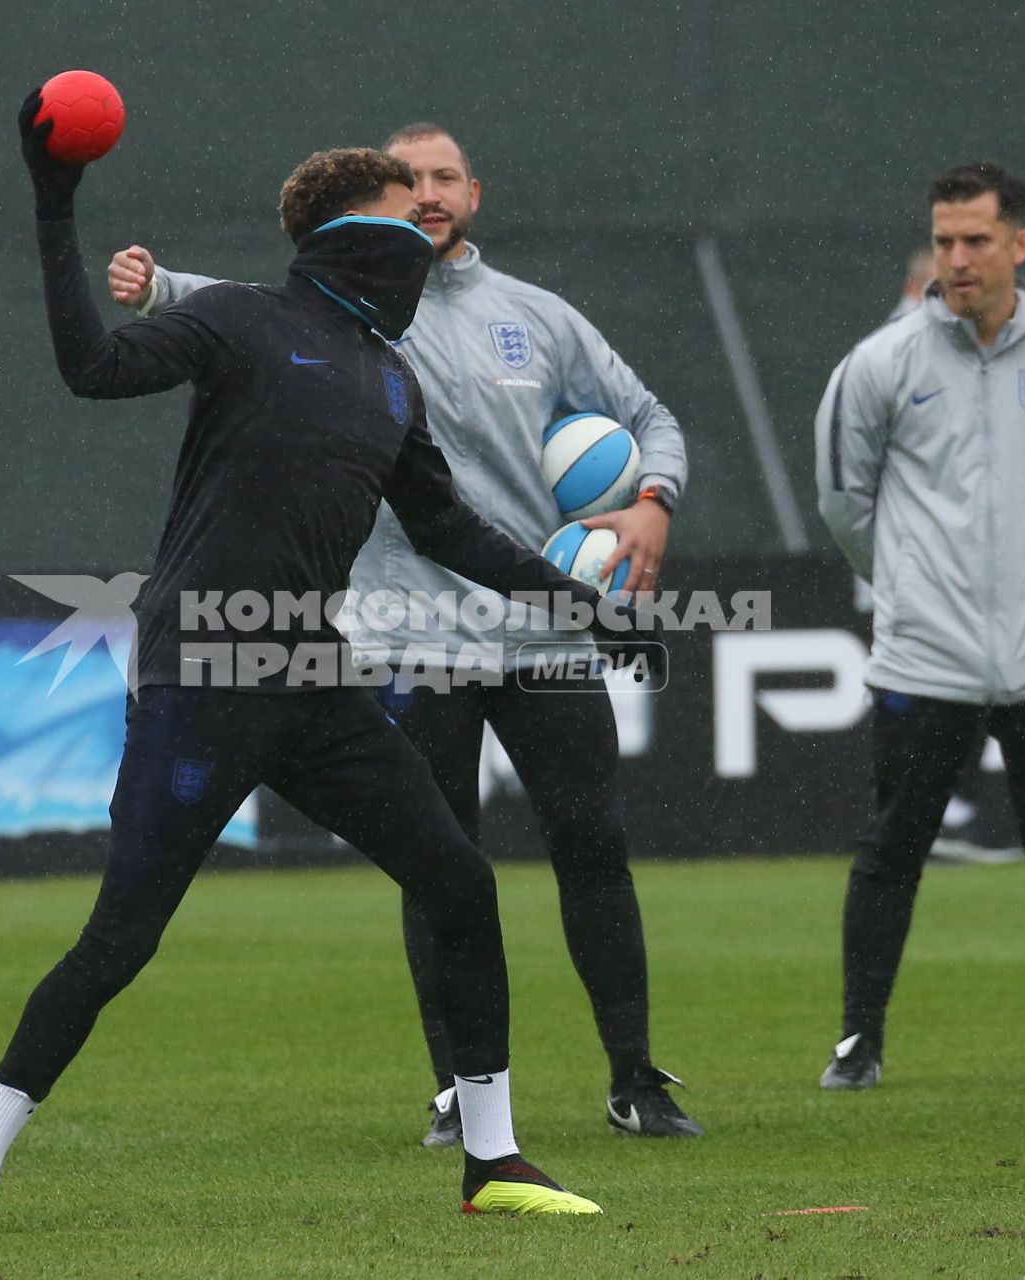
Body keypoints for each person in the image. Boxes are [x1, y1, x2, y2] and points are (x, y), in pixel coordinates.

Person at [0, 95, 630, 1237]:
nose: (428, 230)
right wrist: (56, 205)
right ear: (353, 229)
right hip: (202, 674)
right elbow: (90, 367)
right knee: (121, 939)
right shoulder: (243, 322)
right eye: (410, 211)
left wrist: (581, 609)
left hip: (314, 682)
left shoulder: (391, 379)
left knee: (458, 878)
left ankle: (492, 1158)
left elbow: (451, 531)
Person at [108, 122, 700, 1145]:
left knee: (593, 846)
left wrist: (654, 497)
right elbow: (243, 303)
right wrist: (158, 283)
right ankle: (454, 1091)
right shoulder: (359, 314)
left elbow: (650, 412)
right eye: (405, 182)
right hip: (410, 635)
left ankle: (635, 1077)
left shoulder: (539, 317)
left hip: (540, 638)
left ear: (475, 191)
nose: (425, 194)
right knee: (440, 859)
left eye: (441, 178)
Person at [813, 162, 1025, 1090]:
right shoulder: (881, 363)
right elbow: (844, 501)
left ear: (1019, 245)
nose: (955, 260)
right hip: (926, 657)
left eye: (975, 241)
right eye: (944, 240)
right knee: (893, 849)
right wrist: (915, 585)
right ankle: (859, 1043)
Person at [866, 248, 1024, 868]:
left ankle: (931, 814)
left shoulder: (957, 347)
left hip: (946, 555)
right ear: (916, 285)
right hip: (915, 556)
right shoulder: (898, 352)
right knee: (929, 682)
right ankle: (925, 817)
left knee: (961, 683)